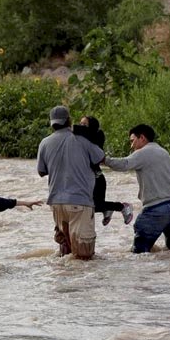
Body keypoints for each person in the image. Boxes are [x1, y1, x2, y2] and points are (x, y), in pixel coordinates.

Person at [103, 124, 170, 253]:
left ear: (142, 138)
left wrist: (103, 160)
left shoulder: (143, 153)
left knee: (139, 253)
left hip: (155, 209)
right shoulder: (164, 152)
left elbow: (124, 164)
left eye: (132, 140)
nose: (131, 146)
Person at [37, 106, 105, 260]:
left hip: (56, 204)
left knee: (65, 253)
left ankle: (67, 284)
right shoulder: (82, 139)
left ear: (52, 123)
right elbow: (100, 158)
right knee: (84, 257)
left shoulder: (44, 143)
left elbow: (41, 171)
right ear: (69, 120)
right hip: (80, 203)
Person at [74, 115, 134, 226]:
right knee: (88, 206)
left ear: (91, 127)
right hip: (89, 179)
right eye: (80, 123)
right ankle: (107, 209)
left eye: (84, 124)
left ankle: (122, 207)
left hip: (97, 179)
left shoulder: (95, 138)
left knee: (93, 206)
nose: (81, 126)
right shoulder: (80, 140)